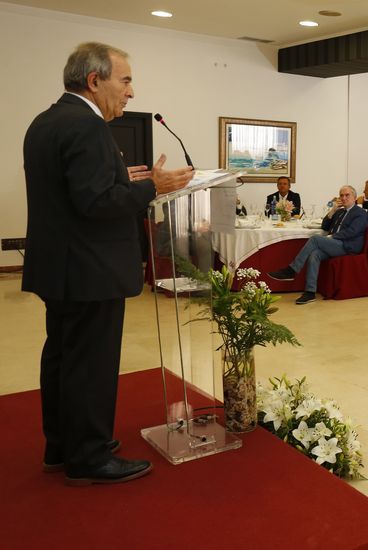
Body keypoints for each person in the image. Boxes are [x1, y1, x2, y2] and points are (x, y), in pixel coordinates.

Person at [23, 42, 194, 485]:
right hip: (90, 269)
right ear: (95, 81)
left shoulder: (47, 122)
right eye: (126, 80)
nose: (131, 92)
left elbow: (74, 192)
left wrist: (125, 179)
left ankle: (63, 445)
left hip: (61, 266)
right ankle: (89, 458)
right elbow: (97, 204)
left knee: (62, 358)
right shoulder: (88, 127)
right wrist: (151, 187)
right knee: (90, 365)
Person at [268, 185, 368, 304]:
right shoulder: (340, 212)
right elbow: (324, 226)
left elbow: (353, 231)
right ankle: (310, 292)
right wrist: (332, 210)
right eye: (341, 195)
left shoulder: (360, 212)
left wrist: (332, 236)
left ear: (354, 197)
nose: (344, 198)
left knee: (315, 239)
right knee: (314, 254)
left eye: (347, 195)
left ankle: (291, 270)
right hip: (336, 244)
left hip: (348, 246)